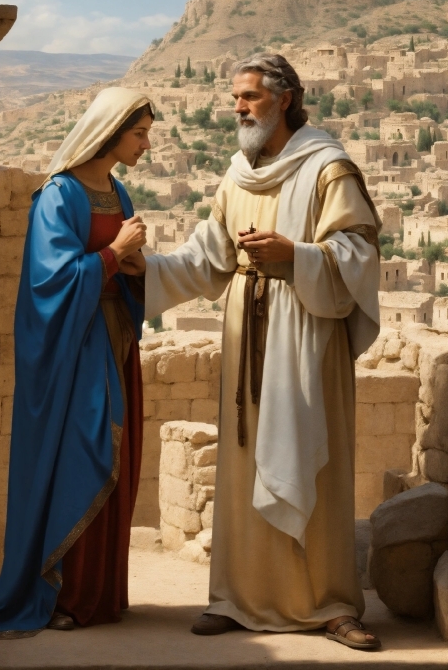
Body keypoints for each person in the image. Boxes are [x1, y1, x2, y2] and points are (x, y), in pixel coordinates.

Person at [131, 55, 382, 650]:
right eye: (236, 99)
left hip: (308, 333)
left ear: (287, 98)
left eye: (249, 97)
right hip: (248, 331)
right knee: (245, 463)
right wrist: (146, 270)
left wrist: (296, 256)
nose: (238, 108)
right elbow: (208, 257)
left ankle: (330, 603)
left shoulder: (328, 168)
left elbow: (360, 254)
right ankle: (238, 599)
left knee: (310, 456)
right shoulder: (237, 175)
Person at [0, 87, 152, 637]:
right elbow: (51, 282)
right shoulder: (59, 194)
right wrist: (114, 255)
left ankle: (101, 594)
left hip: (115, 342)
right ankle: (63, 592)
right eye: (139, 133)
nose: (146, 143)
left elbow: (123, 265)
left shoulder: (118, 192)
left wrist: (133, 266)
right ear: (110, 131)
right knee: (83, 457)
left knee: (118, 457)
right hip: (78, 350)